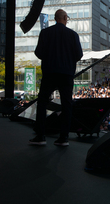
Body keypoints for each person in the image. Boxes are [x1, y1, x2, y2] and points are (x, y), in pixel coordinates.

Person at [29, 9, 83, 146]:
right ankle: (64, 138)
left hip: (49, 72)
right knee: (66, 106)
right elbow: (79, 55)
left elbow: (39, 53)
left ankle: (41, 136)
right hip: (66, 74)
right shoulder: (73, 35)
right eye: (67, 17)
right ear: (64, 17)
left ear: (55, 18)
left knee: (42, 103)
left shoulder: (45, 33)